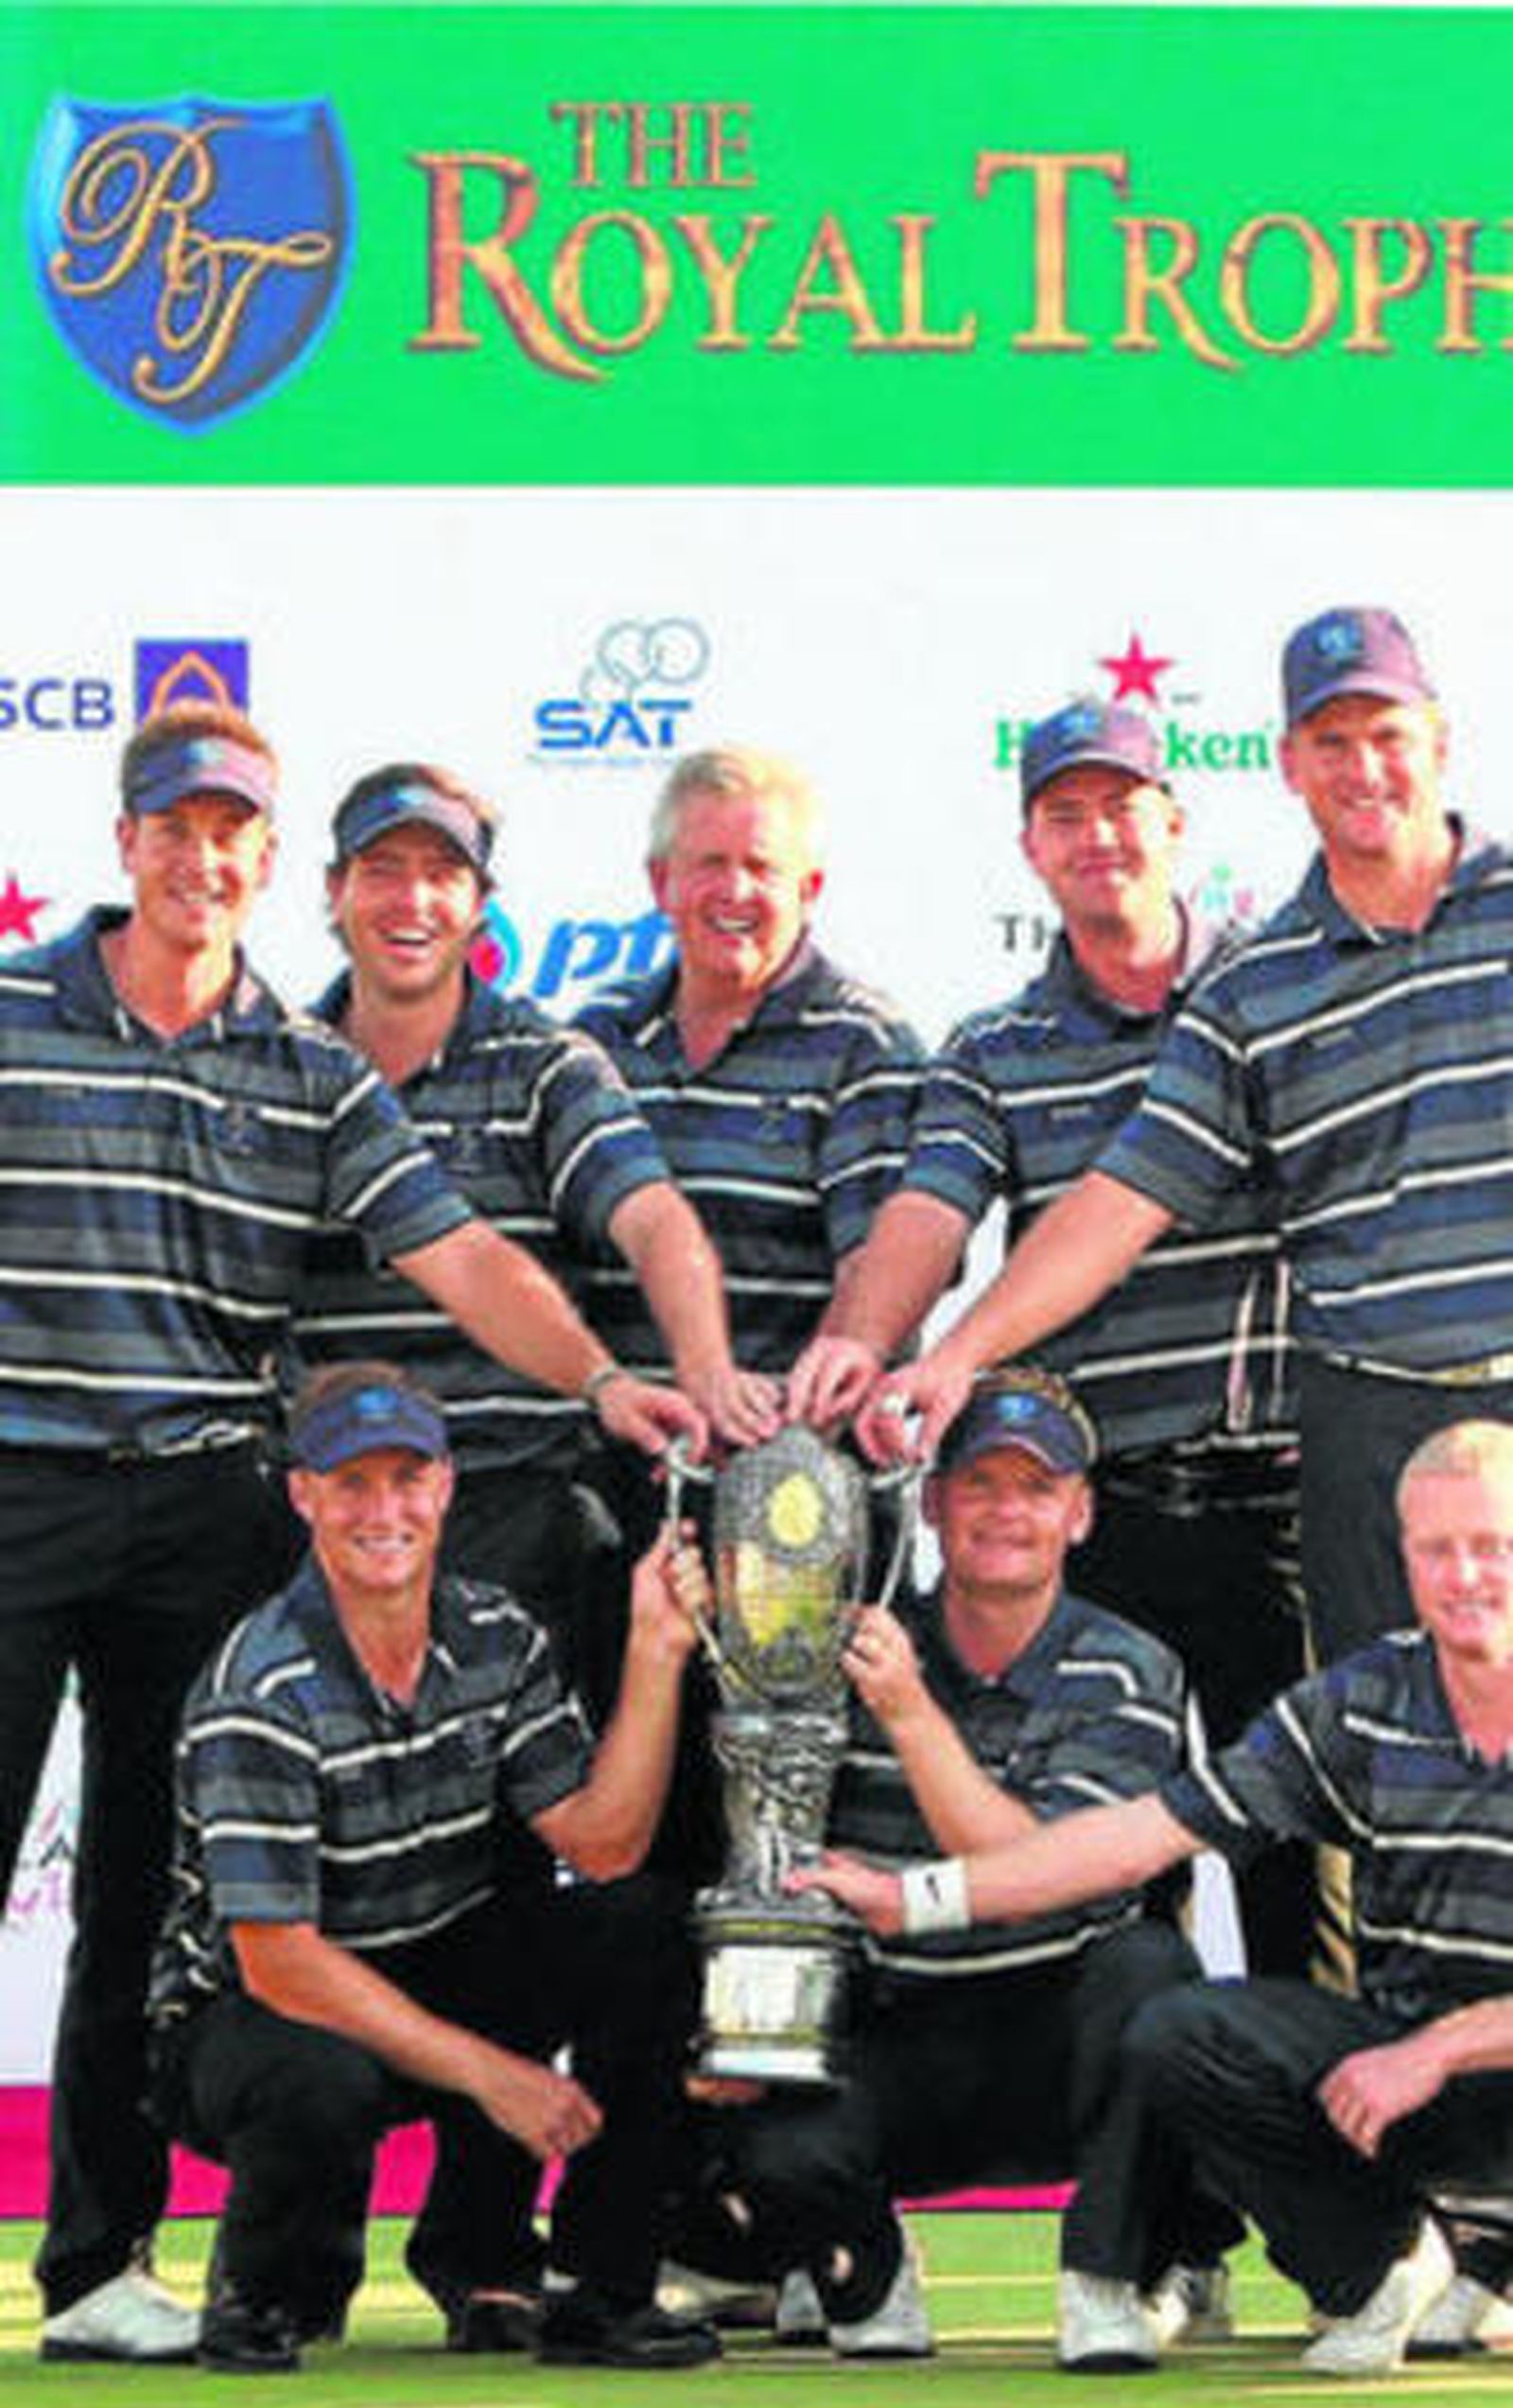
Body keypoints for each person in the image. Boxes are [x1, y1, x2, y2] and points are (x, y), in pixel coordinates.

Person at [8, 701, 705, 2365]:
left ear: (265, 861)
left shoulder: (314, 1074)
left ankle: (99, 2263)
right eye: (172, 829)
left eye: (228, 831)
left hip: (201, 1501)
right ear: (126, 847)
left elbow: (463, 1258)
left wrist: (607, 1374)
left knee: (125, 1896)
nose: (200, 858)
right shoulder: (18, 1015)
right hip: (17, 1477)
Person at [863, 609, 1513, 1668]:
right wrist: (951, 1357)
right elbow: (1123, 1196)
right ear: (1288, 763)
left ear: (1438, 739)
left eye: (1386, 734)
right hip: (1366, 1435)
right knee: (1397, 1777)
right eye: (1330, 741)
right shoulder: (1254, 992)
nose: (1362, 768)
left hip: (1322, 1460)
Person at [801, 1418, 1513, 2375]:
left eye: (1491, 1546)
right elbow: (1141, 1836)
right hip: (1423, 2089)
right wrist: (922, 1894)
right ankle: (1377, 2260)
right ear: (1402, 1556)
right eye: (1437, 1549)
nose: (1463, 1576)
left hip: (1450, 2058)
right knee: (1184, 2024)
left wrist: (1436, 2047)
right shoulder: (1360, 1700)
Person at [790, 699, 1311, 1974]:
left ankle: (1315, 2160)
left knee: (1305, 1857)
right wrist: (862, 1339)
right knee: (1111, 1884)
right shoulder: (991, 1048)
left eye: (1122, 808)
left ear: (1175, 825)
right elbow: (927, 1210)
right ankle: (1142, 2165)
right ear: (1029, 849)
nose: (1098, 838)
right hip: (1105, 1509)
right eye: (1065, 816)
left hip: (1291, 1501)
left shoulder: (1278, 994)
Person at [147, 1363, 720, 2374]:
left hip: (433, 1951)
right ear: (303, 1494)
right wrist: (495, 2074)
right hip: (247, 2012)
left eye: (406, 1478)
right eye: (352, 1482)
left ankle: (601, 2285)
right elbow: (281, 1962)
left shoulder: (498, 1634)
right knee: (314, 2069)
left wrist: (654, 1650)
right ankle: (270, 2291)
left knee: (644, 1923)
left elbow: (602, 1844)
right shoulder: (259, 1683)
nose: (385, 1509)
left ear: (448, 1485)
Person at [716, 1364, 1237, 2369]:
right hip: (902, 2030)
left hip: (1065, 2038)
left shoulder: (1129, 1665)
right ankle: (860, 2267)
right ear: (932, 1502)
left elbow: (1038, 1865)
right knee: (766, 2123)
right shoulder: (839, 1644)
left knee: (1153, 1976)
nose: (1006, 1511)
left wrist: (909, 1713)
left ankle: (1106, 2275)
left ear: (1080, 1514)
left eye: (1036, 1487)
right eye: (980, 1484)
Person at [296, 759, 771, 1705]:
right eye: (383, 868)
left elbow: (653, 1219)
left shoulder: (550, 1065)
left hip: (511, 1507)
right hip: (328, 1513)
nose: (413, 899)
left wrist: (705, 1366)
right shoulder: (277, 1062)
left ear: (480, 904)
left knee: (519, 1838)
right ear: (334, 891)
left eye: (443, 874)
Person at [576, 745, 924, 1878]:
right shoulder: (593, 1043)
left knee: (779, 1846)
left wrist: (792, 1405)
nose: (735, 890)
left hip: (799, 1504)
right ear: (657, 880)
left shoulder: (861, 1040)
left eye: (762, 866)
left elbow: (879, 1254)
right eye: (708, 862)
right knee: (635, 1832)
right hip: (620, 1492)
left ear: (809, 888)